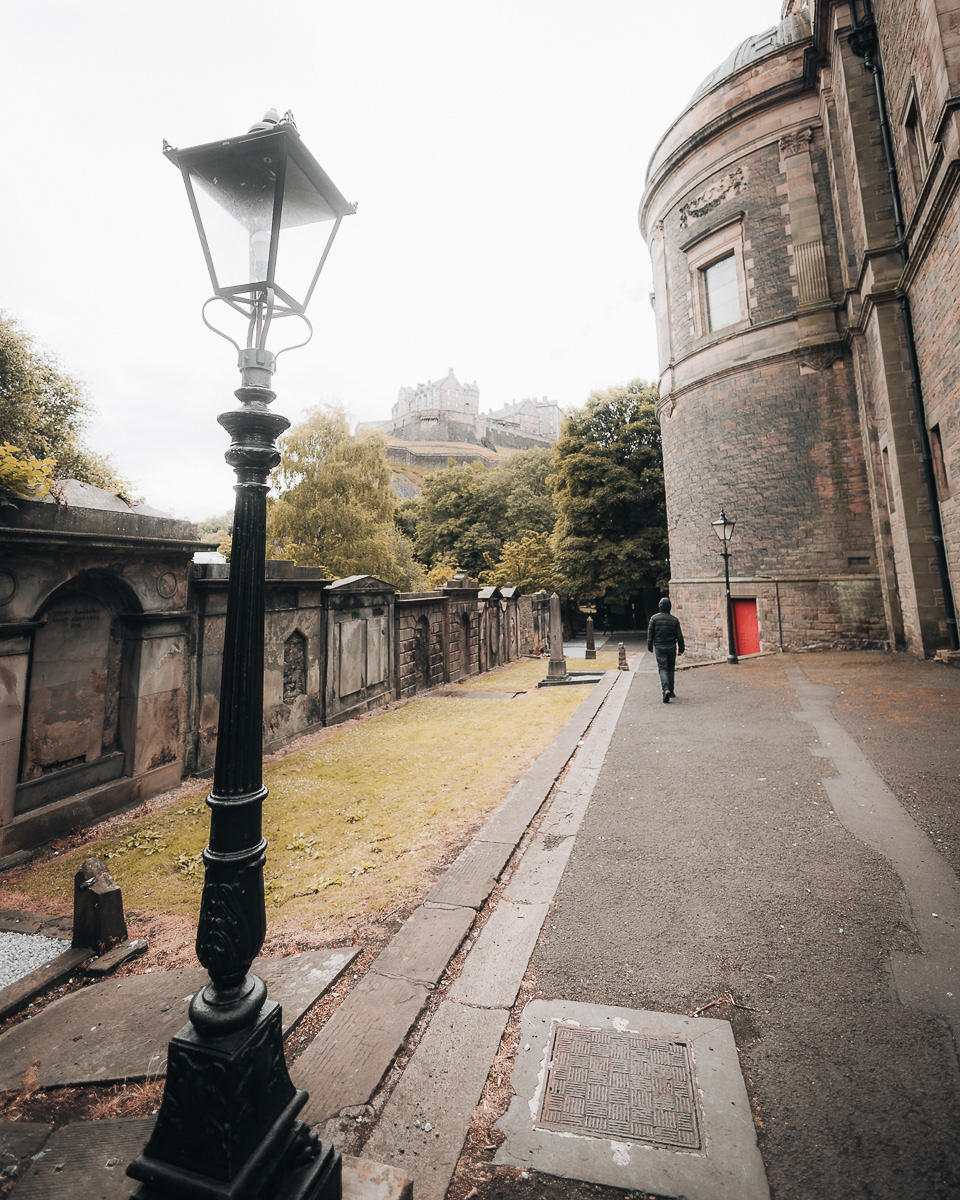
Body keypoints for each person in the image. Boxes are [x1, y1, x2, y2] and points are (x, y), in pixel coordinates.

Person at [647, 596, 685, 703]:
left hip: (659, 646)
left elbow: (650, 635)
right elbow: (679, 636)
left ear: (660, 606)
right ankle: (671, 691)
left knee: (662, 668)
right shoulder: (674, 620)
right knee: (670, 668)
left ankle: (665, 689)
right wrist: (681, 649)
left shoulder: (654, 619)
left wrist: (650, 647)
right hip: (671, 646)